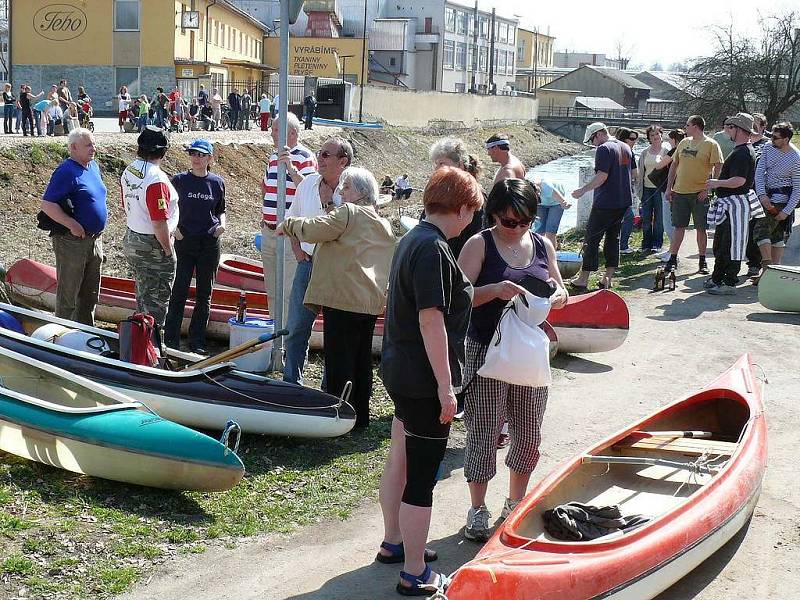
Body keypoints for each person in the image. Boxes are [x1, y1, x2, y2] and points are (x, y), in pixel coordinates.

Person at [377, 166, 482, 596]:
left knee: (400, 455)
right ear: (459, 209)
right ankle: (415, 572)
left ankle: (395, 543)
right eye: (471, 213)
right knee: (422, 475)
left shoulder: (411, 239)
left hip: (399, 370)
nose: (472, 221)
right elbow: (431, 318)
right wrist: (446, 386)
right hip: (423, 379)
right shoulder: (435, 250)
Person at [457, 178, 568, 542]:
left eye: (526, 221)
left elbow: (560, 286)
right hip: (487, 351)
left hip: (529, 354)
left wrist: (558, 296)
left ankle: (514, 504)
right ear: (493, 216)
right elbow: (457, 299)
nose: (518, 228)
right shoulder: (479, 244)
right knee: (484, 431)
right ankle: (477, 509)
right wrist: (493, 291)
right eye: (509, 221)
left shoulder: (541, 244)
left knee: (528, 432)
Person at [280, 162, 395, 429]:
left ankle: (337, 415)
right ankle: (360, 416)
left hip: (342, 298)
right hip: (369, 301)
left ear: (360, 192)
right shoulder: (382, 223)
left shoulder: (348, 213)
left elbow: (317, 228)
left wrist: (289, 224)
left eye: (346, 188)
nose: (341, 193)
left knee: (339, 360)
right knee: (360, 360)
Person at [276, 137, 347, 385]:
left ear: (343, 161)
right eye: (320, 153)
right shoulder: (307, 184)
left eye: (326, 154)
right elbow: (291, 220)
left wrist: (328, 203)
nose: (320, 158)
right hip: (308, 264)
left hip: (337, 269)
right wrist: (297, 249)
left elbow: (344, 230)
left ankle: (330, 388)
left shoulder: (352, 191)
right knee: (297, 326)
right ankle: (291, 382)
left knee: (335, 332)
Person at [39, 128, 107, 326]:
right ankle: (62, 334)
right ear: (74, 148)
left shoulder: (92, 166)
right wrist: (72, 224)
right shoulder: (65, 171)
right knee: (69, 294)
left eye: (93, 144)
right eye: (88, 145)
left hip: (95, 239)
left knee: (90, 293)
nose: (93, 148)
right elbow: (48, 204)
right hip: (72, 241)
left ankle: (86, 333)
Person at [164, 140, 226, 354]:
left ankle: (197, 340)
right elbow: (168, 210)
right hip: (184, 241)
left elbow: (220, 210)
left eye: (201, 155)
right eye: (193, 154)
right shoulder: (179, 181)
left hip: (209, 243)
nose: (196, 158)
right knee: (178, 290)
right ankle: (170, 338)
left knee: (204, 294)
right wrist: (174, 230)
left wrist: (222, 225)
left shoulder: (217, 182)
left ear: (210, 158)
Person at [260, 113, 317, 333]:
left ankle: (289, 337)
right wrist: (264, 214)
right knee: (272, 290)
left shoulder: (305, 157)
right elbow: (265, 187)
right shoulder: (273, 157)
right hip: (269, 230)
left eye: (276, 129)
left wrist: (291, 168)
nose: (272, 133)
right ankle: (276, 337)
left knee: (289, 291)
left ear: (291, 133)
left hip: (290, 234)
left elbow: (310, 190)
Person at [121, 126, 179, 327]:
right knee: (156, 303)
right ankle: (151, 347)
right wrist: (167, 248)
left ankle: (141, 342)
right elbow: (159, 221)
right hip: (152, 242)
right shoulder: (156, 178)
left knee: (143, 294)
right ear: (163, 150)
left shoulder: (130, 170)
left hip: (133, 235)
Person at [569, 122, 633, 292]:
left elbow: (602, 176)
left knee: (592, 238)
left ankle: (583, 279)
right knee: (614, 238)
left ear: (598, 134)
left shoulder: (604, 149)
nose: (593, 144)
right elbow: (634, 174)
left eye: (592, 140)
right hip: (623, 202)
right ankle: (607, 278)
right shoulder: (625, 147)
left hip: (605, 202)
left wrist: (583, 190)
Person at [702, 113, 758, 295]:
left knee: (730, 243)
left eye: (731, 127)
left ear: (740, 130)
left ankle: (727, 282)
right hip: (732, 203)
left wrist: (716, 183)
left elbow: (739, 180)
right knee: (724, 242)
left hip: (735, 204)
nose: (728, 130)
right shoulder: (741, 150)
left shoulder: (743, 152)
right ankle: (719, 278)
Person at [664, 115, 724, 275]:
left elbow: (718, 167)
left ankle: (702, 260)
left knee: (700, 228)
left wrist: (709, 190)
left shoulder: (711, 144)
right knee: (679, 227)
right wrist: (669, 188)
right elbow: (674, 165)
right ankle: (672, 258)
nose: (685, 127)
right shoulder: (683, 142)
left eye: (687, 124)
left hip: (699, 193)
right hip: (680, 192)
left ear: (696, 126)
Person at [751, 122, 800, 280]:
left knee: (762, 231)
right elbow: (759, 172)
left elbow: (798, 189)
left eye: (775, 137)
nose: (771, 139)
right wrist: (761, 195)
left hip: (783, 200)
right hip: (766, 196)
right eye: (771, 135)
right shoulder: (768, 148)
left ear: (786, 139)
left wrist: (786, 211)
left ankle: (767, 272)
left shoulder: (796, 157)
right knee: (774, 236)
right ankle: (770, 274)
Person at [428, 138, 486, 258]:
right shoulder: (440, 192)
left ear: (460, 164)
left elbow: (478, 235)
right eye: (436, 164)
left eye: (442, 163)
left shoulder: (474, 196)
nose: (437, 169)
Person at [638, 125, 671, 253]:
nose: (655, 137)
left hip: (660, 189)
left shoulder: (666, 150)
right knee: (646, 218)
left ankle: (657, 243)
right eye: (652, 135)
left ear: (661, 135)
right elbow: (642, 171)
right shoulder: (645, 152)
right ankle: (646, 243)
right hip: (646, 188)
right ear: (648, 138)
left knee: (659, 218)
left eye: (657, 134)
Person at [615, 128, 639, 254]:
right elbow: (635, 174)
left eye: (636, 139)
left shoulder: (612, 149)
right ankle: (622, 246)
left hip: (611, 191)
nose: (634, 142)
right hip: (623, 192)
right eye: (632, 139)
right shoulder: (629, 152)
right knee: (629, 217)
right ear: (624, 139)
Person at [532, 176, 570, 248]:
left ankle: (552, 257)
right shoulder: (529, 190)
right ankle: (539, 255)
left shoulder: (547, 187)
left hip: (556, 204)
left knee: (550, 233)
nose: (539, 195)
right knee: (538, 232)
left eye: (538, 193)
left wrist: (566, 205)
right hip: (540, 205)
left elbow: (563, 202)